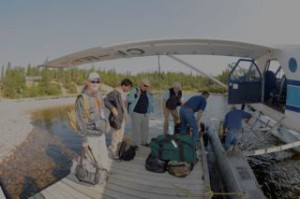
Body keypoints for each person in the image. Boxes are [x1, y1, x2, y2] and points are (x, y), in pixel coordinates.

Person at [76, 72, 111, 171]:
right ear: (88, 82)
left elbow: (103, 111)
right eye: (93, 81)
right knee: (93, 159)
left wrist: (107, 124)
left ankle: (104, 173)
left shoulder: (99, 95)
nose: (95, 83)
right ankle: (95, 177)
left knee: (104, 156)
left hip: (101, 133)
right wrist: (84, 139)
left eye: (97, 81)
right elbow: (80, 120)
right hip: (90, 135)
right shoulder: (82, 98)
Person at [104, 78, 133, 159]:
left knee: (120, 136)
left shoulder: (124, 93)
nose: (129, 89)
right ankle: (113, 152)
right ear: (124, 85)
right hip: (116, 119)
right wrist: (113, 108)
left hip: (122, 119)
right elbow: (105, 100)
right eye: (128, 87)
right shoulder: (114, 93)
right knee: (115, 136)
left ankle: (118, 151)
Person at [127, 78, 154, 146]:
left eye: (147, 86)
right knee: (136, 131)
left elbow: (151, 102)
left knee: (145, 130)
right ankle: (135, 145)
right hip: (136, 113)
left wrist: (150, 94)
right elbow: (129, 99)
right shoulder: (135, 90)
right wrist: (136, 95)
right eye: (145, 85)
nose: (146, 87)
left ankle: (144, 143)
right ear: (141, 84)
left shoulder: (148, 92)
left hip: (145, 114)